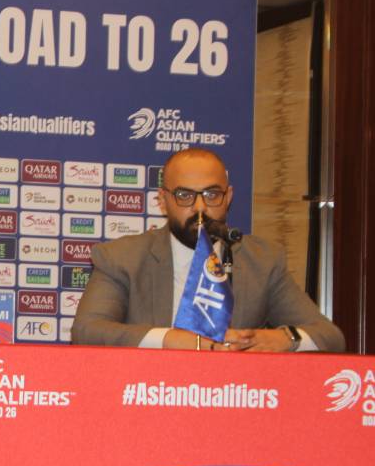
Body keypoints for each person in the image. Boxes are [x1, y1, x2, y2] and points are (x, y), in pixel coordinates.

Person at [71, 147, 345, 352]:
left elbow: (331, 337)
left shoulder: (262, 261)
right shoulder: (122, 258)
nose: (200, 207)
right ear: (163, 201)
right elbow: (87, 331)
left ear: (229, 198)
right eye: (185, 196)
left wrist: (284, 338)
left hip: (233, 397)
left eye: (212, 195)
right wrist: (170, 339)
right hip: (149, 393)